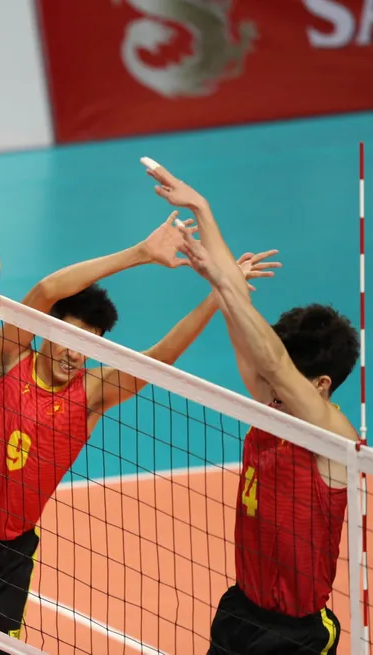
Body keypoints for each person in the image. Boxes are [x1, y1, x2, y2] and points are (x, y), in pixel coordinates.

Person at [0, 217, 280, 655]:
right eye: (69, 338)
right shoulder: (7, 360)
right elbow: (46, 290)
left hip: (6, 559)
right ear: (47, 331)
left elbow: (160, 358)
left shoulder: (91, 395)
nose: (75, 354)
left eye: (88, 345)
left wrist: (221, 293)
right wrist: (139, 254)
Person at [144, 158, 358, 654]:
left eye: (287, 378)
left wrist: (220, 281)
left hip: (296, 637)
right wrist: (202, 208)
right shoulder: (271, 405)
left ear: (322, 385)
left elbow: (276, 362)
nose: (271, 382)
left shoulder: (332, 436)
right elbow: (242, 318)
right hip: (239, 612)